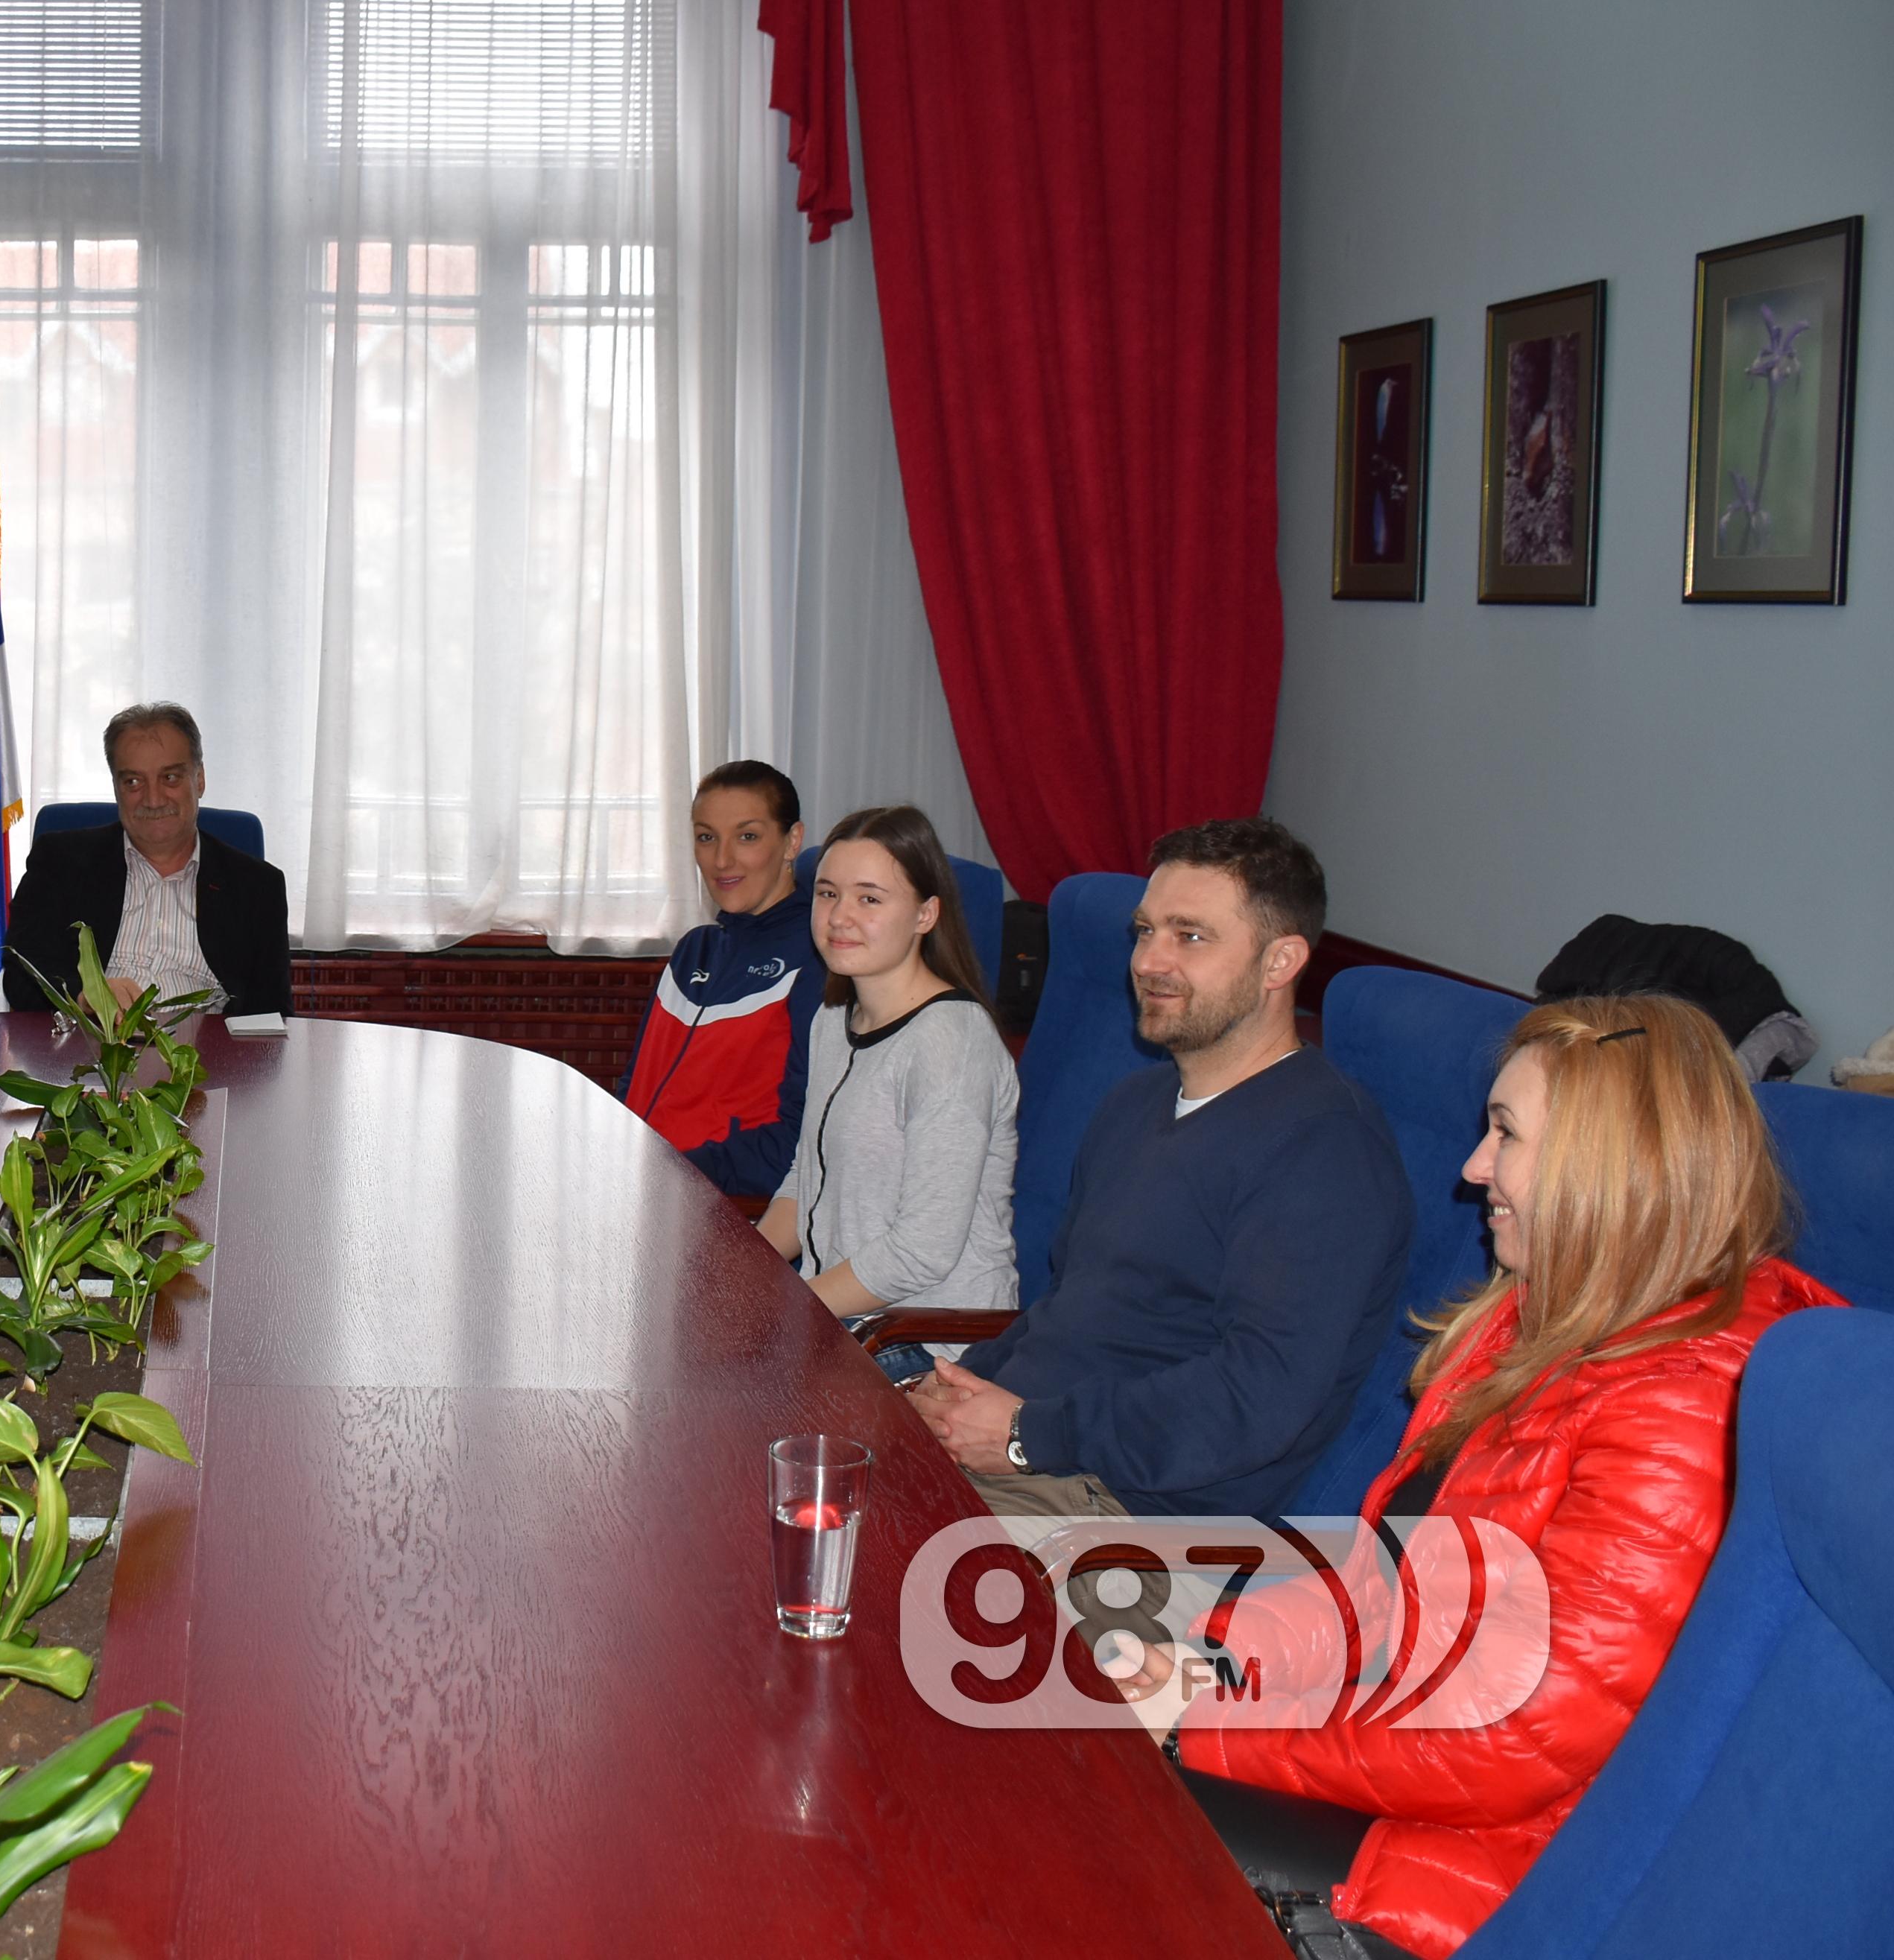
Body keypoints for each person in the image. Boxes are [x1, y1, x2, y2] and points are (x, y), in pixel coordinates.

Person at [1144, 995, 1846, 1959]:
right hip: (1395, 1767)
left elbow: (1511, 1737)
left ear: (1604, 1163)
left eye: (1505, 1134)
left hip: (1494, 1863)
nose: (1473, 1169)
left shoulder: (1688, 1408)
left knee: (1103, 1816)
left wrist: (1204, 1723)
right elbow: (1389, 1588)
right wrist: (1220, 1663)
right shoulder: (1535, 1316)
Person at [905, 817, 1407, 1518]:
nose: (1148, 961)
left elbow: (1253, 1402)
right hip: (1021, 1447)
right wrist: (957, 1384)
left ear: (1280, 962)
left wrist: (1026, 1435)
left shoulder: (1326, 1151)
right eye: (1145, 931)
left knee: (851, 1554)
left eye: (1190, 936)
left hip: (1123, 1511)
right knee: (789, 1476)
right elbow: (1073, 1307)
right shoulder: (1134, 1103)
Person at [764, 805, 1018, 1372]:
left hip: (928, 1339)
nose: (840, 917)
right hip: (845, 1317)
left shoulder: (951, 1043)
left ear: (926, 914)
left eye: (870, 899)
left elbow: (922, 1251)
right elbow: (809, 1177)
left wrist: (784, 1308)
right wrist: (743, 1276)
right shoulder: (833, 1020)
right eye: (828, 894)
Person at [2, 702, 291, 1018]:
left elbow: (271, 1016)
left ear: (199, 780)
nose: (153, 800)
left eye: (170, 777)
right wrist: (86, 997)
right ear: (116, 788)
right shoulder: (60, 862)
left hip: (204, 1045)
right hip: (89, 1041)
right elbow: (22, 977)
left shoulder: (257, 886)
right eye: (133, 782)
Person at [620, 760, 825, 1202]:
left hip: (728, 1210)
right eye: (706, 837)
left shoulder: (816, 960)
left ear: (792, 842)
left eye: (747, 836)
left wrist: (669, 1173)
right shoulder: (694, 949)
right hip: (645, 1193)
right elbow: (635, 1087)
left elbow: (800, 1143)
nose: (722, 860)